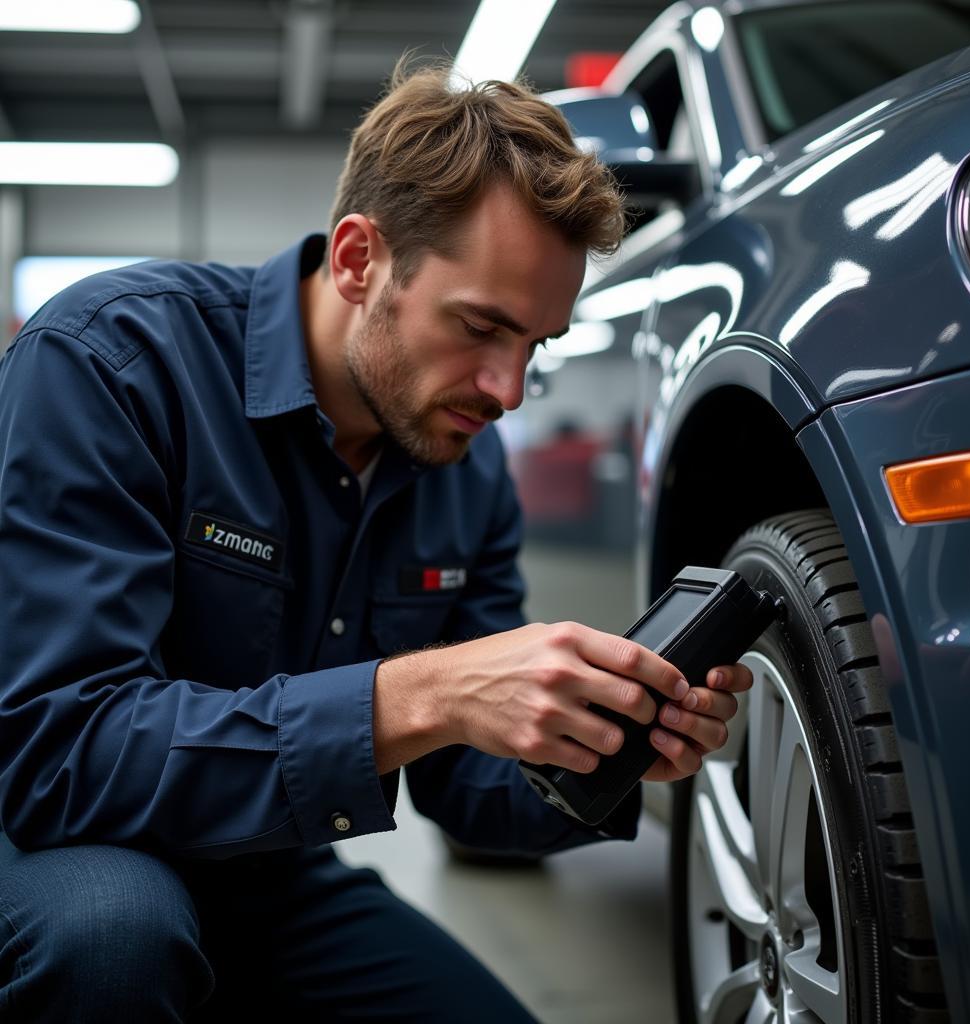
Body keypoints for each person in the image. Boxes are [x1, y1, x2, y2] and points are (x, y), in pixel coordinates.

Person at [0, 64, 753, 1022]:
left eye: (537, 347)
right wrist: (421, 693)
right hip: (49, 842)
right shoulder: (112, 361)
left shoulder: (464, 466)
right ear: (359, 260)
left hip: (261, 871)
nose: (508, 390)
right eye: (482, 326)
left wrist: (600, 754)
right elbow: (61, 752)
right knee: (113, 939)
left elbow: (466, 786)